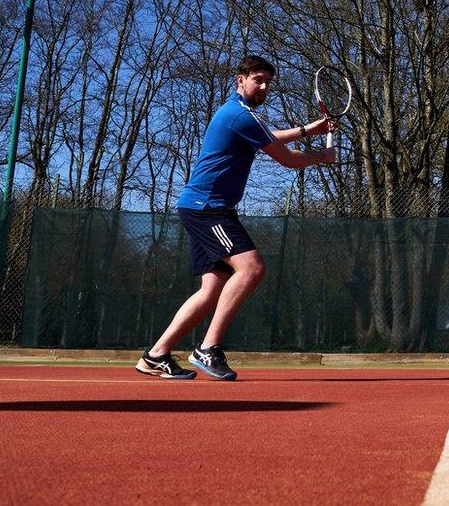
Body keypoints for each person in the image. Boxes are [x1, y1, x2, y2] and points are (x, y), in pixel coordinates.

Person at [135, 55, 336, 380]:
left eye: (268, 81)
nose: (264, 86)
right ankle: (207, 348)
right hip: (208, 207)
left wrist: (307, 129)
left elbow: (269, 136)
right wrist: (320, 156)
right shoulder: (241, 116)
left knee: (211, 289)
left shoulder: (238, 115)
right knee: (252, 268)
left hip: (200, 206)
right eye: (258, 79)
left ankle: (156, 355)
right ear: (239, 80)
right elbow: (286, 160)